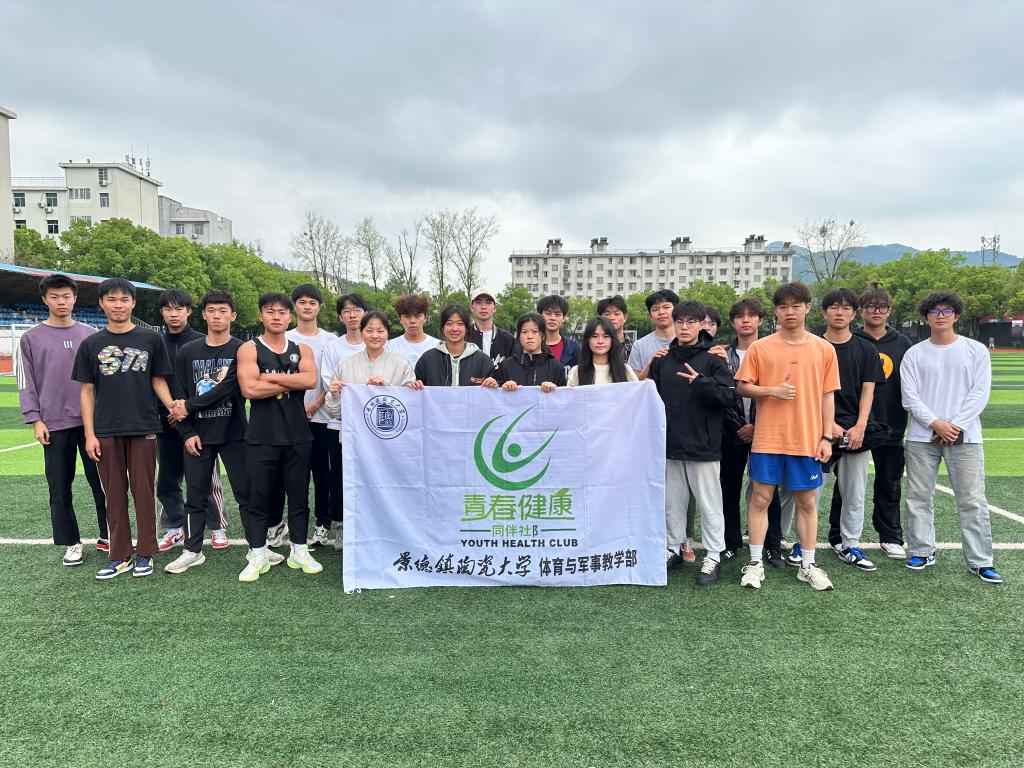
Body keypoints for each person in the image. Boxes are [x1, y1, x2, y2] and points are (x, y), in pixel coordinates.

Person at [734, 282, 840, 591]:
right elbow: (742, 387)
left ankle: (808, 564)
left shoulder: (824, 349)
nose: (789, 312)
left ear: (808, 307)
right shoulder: (760, 347)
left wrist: (826, 438)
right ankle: (755, 563)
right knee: (760, 499)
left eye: (796, 305)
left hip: (806, 440)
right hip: (768, 439)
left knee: (807, 501)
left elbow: (827, 396)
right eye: (783, 306)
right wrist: (772, 391)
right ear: (776, 311)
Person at [72, 278, 175, 580]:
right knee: (114, 495)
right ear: (101, 303)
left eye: (124, 299)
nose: (118, 305)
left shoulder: (151, 339)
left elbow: (158, 379)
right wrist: (89, 434)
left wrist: (173, 406)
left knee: (144, 492)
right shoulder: (91, 344)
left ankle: (145, 551)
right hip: (106, 429)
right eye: (112, 299)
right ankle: (119, 555)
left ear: (133, 303)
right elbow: (87, 391)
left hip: (143, 425)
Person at [901, 291, 1001, 584]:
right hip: (922, 436)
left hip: (965, 437)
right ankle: (921, 550)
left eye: (947, 311)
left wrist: (954, 425)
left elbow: (979, 393)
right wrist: (935, 423)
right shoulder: (914, 354)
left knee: (972, 500)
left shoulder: (976, 350)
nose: (941, 316)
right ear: (926, 318)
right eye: (934, 311)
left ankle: (980, 560)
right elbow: (910, 396)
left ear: (956, 315)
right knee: (918, 496)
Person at [16, 273, 107, 566]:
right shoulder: (30, 338)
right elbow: (25, 382)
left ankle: (109, 536)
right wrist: (35, 419)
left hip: (91, 423)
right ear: (45, 299)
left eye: (66, 296)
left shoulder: (90, 334)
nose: (61, 302)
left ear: (74, 298)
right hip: (53, 424)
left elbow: (103, 379)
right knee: (59, 487)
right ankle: (71, 542)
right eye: (54, 297)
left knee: (103, 483)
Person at [164, 290, 256, 574]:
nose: (217, 316)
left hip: (234, 433)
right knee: (196, 495)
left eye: (223, 311)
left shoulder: (242, 349)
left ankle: (258, 549)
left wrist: (189, 406)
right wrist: (186, 432)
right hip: (198, 436)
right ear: (203, 314)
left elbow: (228, 387)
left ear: (233, 316)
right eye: (212, 311)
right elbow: (178, 394)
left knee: (246, 493)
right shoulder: (188, 351)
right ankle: (192, 551)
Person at [649, 301, 738, 586]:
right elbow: (650, 399)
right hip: (670, 444)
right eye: (680, 322)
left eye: (691, 322)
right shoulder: (662, 359)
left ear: (702, 325)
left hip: (704, 445)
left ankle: (713, 555)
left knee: (710, 504)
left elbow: (728, 396)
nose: (684, 327)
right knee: (672, 502)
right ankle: (674, 548)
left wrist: (701, 382)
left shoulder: (713, 358)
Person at [236, 293, 320, 582]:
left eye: (282, 312)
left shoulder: (302, 349)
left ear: (289, 317)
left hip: (298, 435)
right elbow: (249, 389)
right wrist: (290, 381)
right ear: (261, 315)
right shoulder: (249, 349)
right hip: (262, 437)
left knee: (299, 498)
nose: (276, 317)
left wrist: (268, 377)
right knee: (259, 498)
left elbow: (310, 380)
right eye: (270, 311)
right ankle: (258, 554)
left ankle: (299, 550)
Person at [818, 287, 887, 572]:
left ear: (854, 313)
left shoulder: (866, 349)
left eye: (846, 308)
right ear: (824, 312)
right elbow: (809, 391)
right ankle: (801, 542)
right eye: (834, 307)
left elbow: (868, 391)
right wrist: (828, 426)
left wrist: (860, 426)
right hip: (819, 431)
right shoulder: (813, 346)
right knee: (809, 491)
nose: (840, 312)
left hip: (855, 432)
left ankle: (850, 544)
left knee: (854, 491)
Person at [843, 283, 913, 559]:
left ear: (889, 311)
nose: (876, 311)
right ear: (860, 311)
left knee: (890, 482)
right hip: (855, 424)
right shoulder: (851, 340)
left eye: (882, 307)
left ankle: (890, 536)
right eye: (871, 307)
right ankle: (840, 536)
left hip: (892, 422)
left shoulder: (902, 343)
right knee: (847, 485)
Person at [154, 289, 225, 553]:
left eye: (179, 309)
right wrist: (170, 408)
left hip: (198, 421)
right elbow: (154, 380)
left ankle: (216, 526)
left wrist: (187, 409)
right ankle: (175, 526)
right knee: (167, 478)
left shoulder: (201, 342)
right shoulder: (155, 343)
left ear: (189, 312)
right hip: (164, 420)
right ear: (162, 312)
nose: (174, 314)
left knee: (206, 477)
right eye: (168, 309)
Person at [307, 293, 366, 550]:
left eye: (357, 310)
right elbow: (331, 383)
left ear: (365, 313)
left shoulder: (378, 342)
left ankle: (366, 524)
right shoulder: (334, 347)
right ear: (341, 316)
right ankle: (340, 524)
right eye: (347, 311)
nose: (352, 315)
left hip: (371, 426)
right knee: (338, 476)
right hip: (338, 423)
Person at [284, 284, 336, 548]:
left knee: (323, 474)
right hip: (289, 419)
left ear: (319, 307)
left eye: (312, 302)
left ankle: (323, 523)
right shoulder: (284, 337)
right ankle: (290, 526)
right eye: (302, 302)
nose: (307, 306)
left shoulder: (331, 340)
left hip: (322, 417)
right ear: (294, 306)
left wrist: (314, 405)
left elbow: (333, 380)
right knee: (294, 476)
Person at [323, 311, 417, 419]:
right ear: (361, 332)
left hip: (388, 428)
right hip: (355, 428)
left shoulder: (402, 365)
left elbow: (410, 405)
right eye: (369, 331)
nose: (375, 336)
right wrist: (335, 396)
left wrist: (388, 389)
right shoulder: (344, 365)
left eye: (380, 331)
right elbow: (334, 414)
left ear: (387, 334)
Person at [414, 304, 499, 388]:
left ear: (467, 328)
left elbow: (492, 393)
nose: (454, 329)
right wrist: (414, 386)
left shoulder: (483, 361)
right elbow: (416, 388)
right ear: (442, 328)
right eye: (449, 324)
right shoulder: (427, 360)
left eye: (460, 324)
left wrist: (493, 385)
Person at [494, 312, 566, 392]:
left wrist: (554, 390)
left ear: (543, 335)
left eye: (535, 331)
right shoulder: (506, 366)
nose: (529, 336)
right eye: (524, 332)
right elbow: (496, 395)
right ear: (519, 336)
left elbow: (564, 396)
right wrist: (504, 387)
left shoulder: (556, 368)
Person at [567, 316, 639, 386]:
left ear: (612, 339)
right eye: (595, 336)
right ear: (587, 340)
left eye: (606, 336)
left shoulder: (626, 370)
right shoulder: (576, 372)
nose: (600, 341)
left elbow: (637, 391)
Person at [627, 289, 679, 379]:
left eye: (666, 307)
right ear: (650, 316)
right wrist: (650, 364)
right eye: (655, 309)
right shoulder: (639, 346)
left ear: (677, 311)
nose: (661, 312)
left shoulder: (689, 341)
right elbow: (633, 383)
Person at [387, 293, 440, 368]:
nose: (412, 321)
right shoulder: (390, 347)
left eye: (417, 316)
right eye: (407, 316)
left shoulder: (438, 346)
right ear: (400, 319)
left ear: (425, 318)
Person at [468, 288, 515, 367]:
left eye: (488, 303)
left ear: (494, 308)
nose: (483, 307)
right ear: (471, 307)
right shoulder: (464, 336)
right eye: (478, 302)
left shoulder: (508, 339)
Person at [536, 295, 579, 374]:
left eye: (557, 314)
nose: (552, 318)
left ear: (564, 318)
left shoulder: (574, 348)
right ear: (540, 316)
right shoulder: (530, 345)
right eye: (548, 314)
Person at [597, 295, 633, 364]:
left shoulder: (635, 347)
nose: (612, 318)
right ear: (600, 318)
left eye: (616, 314)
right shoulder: (594, 346)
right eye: (607, 314)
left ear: (625, 317)